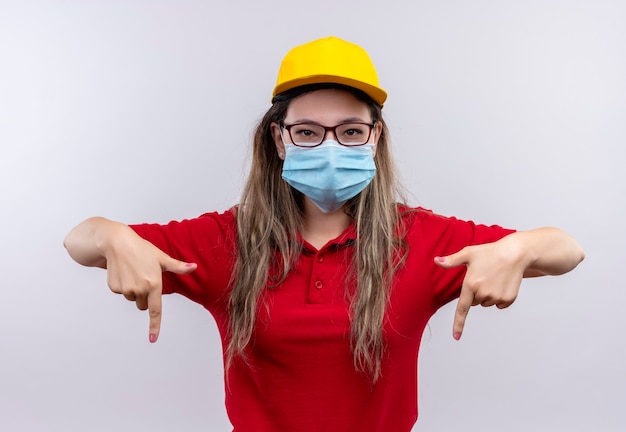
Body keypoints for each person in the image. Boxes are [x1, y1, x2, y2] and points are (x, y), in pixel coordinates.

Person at [64, 36, 584, 432]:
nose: (330, 147)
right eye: (308, 132)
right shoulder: (227, 240)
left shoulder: (420, 239)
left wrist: (519, 247)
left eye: (351, 131)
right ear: (279, 139)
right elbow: (78, 240)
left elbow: (567, 250)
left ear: (375, 138)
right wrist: (111, 235)